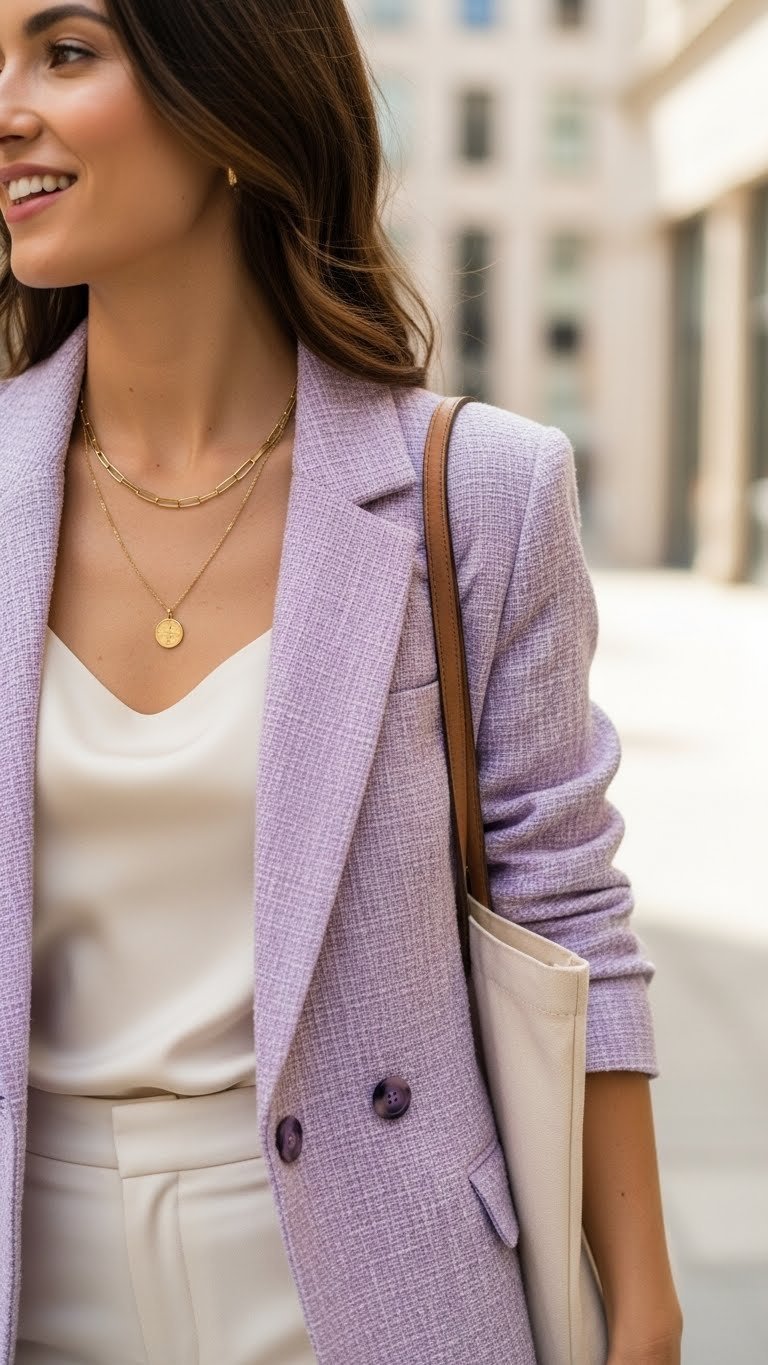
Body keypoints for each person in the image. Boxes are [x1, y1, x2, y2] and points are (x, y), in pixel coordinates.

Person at [0, 1, 683, 1362]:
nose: (6, 102)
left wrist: (646, 1312)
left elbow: (568, 905)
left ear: (228, 99)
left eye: (63, 54)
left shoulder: (478, 492)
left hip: (369, 1281)